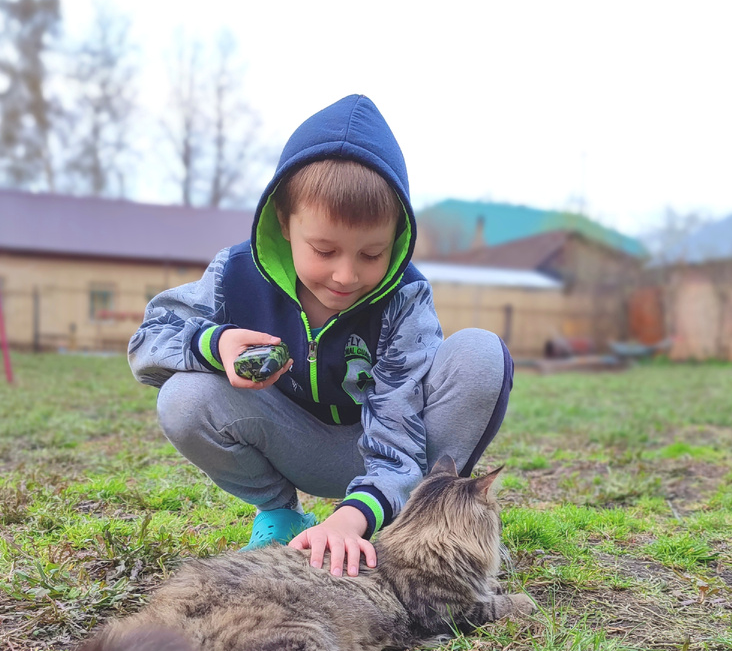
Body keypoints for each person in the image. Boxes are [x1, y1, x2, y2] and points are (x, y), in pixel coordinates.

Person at [128, 94, 512, 577]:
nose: (346, 276)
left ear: (397, 238)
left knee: (479, 353)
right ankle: (282, 516)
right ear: (284, 222)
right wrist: (215, 344)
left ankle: (421, 524)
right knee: (183, 397)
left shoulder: (404, 297)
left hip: (394, 457)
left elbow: (398, 434)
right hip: (295, 445)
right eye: (324, 249)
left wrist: (350, 520)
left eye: (372, 254)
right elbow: (148, 341)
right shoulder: (236, 274)